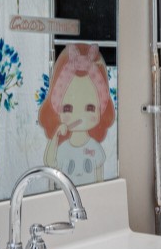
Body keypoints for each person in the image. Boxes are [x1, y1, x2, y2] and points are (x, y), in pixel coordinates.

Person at [39, 44, 114, 183]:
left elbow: (99, 180)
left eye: (90, 108)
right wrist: (56, 136)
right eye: (68, 108)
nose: (79, 115)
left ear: (101, 109)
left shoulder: (95, 148)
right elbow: (50, 162)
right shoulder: (62, 149)